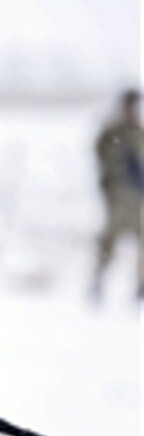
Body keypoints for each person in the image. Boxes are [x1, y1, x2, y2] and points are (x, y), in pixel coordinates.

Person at [91, 88, 143, 302]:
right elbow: (101, 157)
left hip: (138, 199)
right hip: (117, 199)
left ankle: (140, 287)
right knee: (108, 243)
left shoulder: (138, 131)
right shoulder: (111, 133)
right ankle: (97, 282)